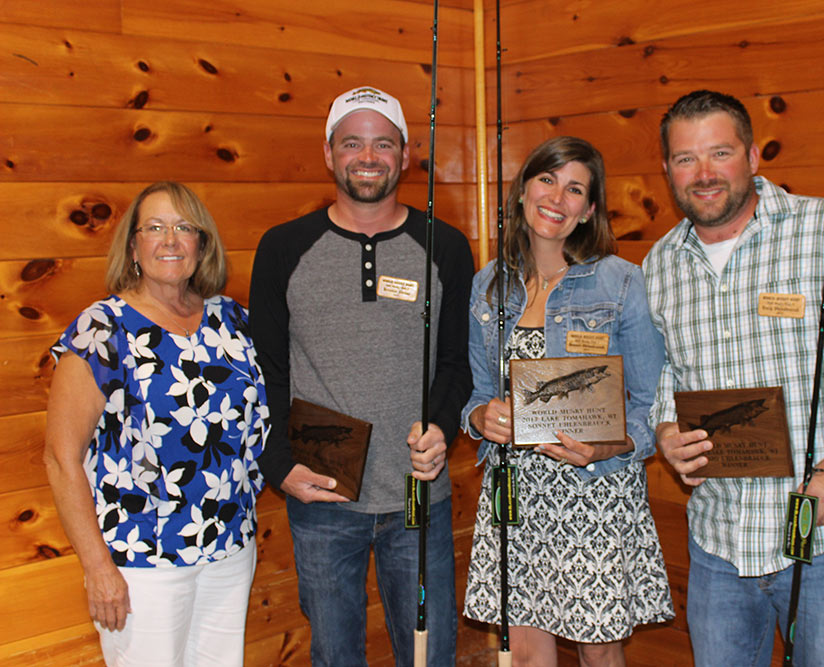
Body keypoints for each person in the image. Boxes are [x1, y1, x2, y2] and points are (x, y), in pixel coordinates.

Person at [644, 90, 824, 666]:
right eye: (685, 158)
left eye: (720, 153)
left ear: (752, 157)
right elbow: (663, 371)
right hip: (719, 540)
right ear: (668, 170)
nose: (703, 173)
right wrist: (666, 429)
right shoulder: (660, 264)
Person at [249, 85, 474, 666]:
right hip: (321, 497)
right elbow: (267, 370)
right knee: (335, 657)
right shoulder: (282, 248)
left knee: (430, 656)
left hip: (416, 495)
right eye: (352, 143)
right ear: (329, 153)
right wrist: (279, 465)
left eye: (383, 144)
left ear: (406, 155)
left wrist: (441, 425)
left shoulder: (446, 246)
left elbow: (456, 362)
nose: (368, 157)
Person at [462, 136, 674, 666]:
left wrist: (606, 449)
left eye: (575, 189)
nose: (557, 198)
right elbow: (479, 394)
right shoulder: (489, 284)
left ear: (589, 210)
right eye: (547, 179)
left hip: (593, 491)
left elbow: (651, 402)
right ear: (522, 191)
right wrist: (480, 418)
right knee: (525, 653)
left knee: (598, 651)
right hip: (515, 490)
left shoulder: (620, 282)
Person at [43, 181, 270, 666]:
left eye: (184, 228)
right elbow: (61, 458)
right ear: (133, 245)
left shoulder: (233, 320)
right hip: (142, 561)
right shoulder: (102, 329)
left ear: (202, 245)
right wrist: (97, 567)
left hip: (230, 549)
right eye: (155, 227)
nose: (170, 240)